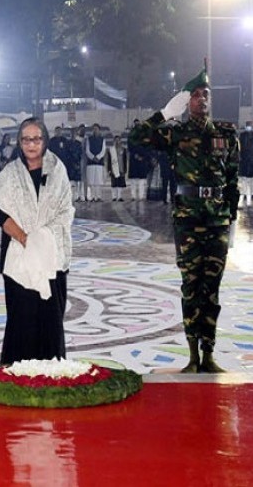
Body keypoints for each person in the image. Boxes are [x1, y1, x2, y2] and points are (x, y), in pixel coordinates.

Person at [129, 66, 239, 373]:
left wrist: (230, 217)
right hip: (188, 222)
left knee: (212, 290)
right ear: (186, 101)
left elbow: (231, 182)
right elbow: (137, 137)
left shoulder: (225, 135)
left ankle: (209, 354)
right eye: (194, 95)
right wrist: (164, 113)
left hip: (216, 222)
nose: (201, 99)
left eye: (205, 94)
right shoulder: (174, 134)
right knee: (191, 287)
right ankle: (192, 355)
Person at [0, 117, 74, 366]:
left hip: (51, 256)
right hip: (19, 255)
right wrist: (27, 239)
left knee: (50, 317)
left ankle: (51, 372)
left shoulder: (57, 171)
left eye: (36, 138)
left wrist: (42, 240)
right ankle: (17, 374)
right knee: (21, 318)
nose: (31, 144)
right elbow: (1, 213)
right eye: (26, 139)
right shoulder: (10, 175)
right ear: (19, 142)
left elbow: (65, 211)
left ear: (44, 141)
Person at [85, 123, 106, 201]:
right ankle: (93, 197)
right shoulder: (89, 139)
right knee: (91, 181)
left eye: (96, 129)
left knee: (98, 181)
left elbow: (103, 150)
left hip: (99, 163)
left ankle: (98, 197)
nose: (95, 130)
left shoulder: (102, 139)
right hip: (91, 163)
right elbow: (87, 150)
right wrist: (93, 157)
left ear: (99, 130)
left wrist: (98, 157)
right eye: (94, 129)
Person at [106, 134, 127, 201]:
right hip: (113, 169)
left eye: (118, 140)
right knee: (114, 183)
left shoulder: (123, 149)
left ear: (120, 141)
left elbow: (125, 160)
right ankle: (114, 197)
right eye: (116, 140)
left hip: (121, 168)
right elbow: (108, 160)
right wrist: (109, 169)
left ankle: (119, 196)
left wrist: (125, 169)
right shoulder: (111, 150)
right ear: (114, 141)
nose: (117, 142)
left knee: (120, 183)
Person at [237, 121, 253, 207]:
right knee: (243, 184)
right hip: (244, 163)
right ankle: (241, 201)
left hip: (250, 163)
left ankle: (248, 202)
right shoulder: (242, 136)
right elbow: (239, 149)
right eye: (248, 125)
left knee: (249, 184)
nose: (249, 127)